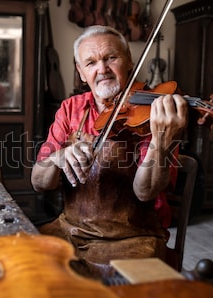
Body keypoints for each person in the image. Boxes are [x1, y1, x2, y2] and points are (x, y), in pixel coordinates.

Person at [30, 25, 188, 279]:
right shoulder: (71, 109)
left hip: (133, 238)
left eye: (111, 58)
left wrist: (162, 139)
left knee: (111, 293)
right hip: (69, 229)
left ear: (129, 62)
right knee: (23, 268)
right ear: (81, 73)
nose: (102, 69)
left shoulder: (153, 111)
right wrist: (57, 158)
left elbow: (145, 191)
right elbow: (38, 183)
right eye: (90, 63)